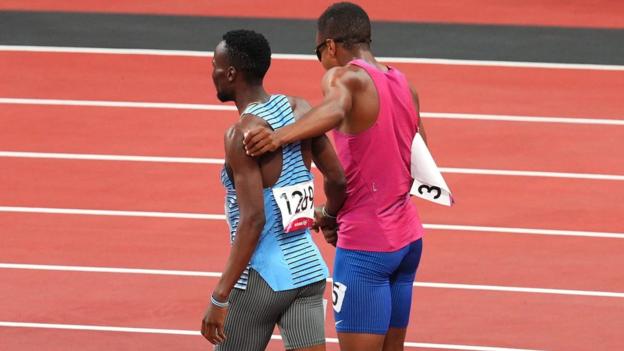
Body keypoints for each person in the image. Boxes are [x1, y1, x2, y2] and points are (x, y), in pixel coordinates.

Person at [243, 3, 427, 351]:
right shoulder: (405, 85)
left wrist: (280, 136)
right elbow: (418, 162)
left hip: (366, 248)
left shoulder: (344, 76)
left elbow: (336, 107)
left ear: (330, 46)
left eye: (318, 54)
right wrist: (330, 213)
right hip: (407, 240)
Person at [200, 29, 347, 351]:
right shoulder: (300, 110)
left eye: (214, 64)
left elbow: (254, 220)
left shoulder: (241, 134)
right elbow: (337, 179)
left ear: (231, 73)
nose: (211, 72)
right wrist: (328, 215)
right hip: (308, 270)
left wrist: (219, 297)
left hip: (262, 276)